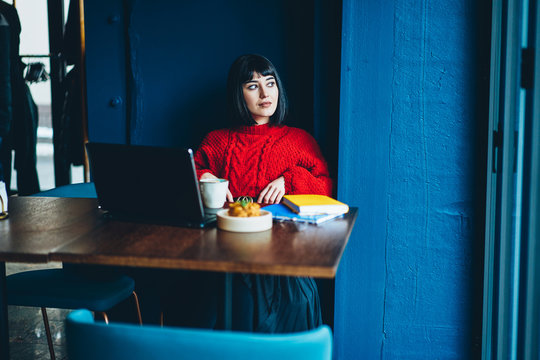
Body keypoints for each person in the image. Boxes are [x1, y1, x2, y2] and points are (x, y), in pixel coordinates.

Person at [193, 54, 333, 332]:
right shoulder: (216, 141)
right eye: (253, 86)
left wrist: (288, 180)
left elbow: (326, 187)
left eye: (270, 83)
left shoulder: (299, 140)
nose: (266, 93)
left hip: (284, 260)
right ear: (238, 93)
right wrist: (204, 176)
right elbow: (187, 173)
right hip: (226, 255)